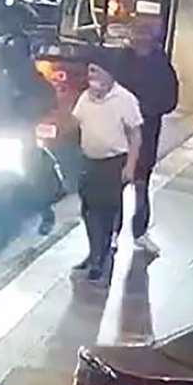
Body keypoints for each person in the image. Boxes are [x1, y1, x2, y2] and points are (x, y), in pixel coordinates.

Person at [67, 57, 142, 284]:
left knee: (105, 213)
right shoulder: (85, 98)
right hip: (89, 162)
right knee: (89, 212)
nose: (92, 77)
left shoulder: (125, 99)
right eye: (90, 71)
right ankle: (93, 253)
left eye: (96, 71)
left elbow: (135, 135)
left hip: (113, 163)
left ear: (109, 74)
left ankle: (101, 259)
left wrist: (130, 165)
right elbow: (76, 124)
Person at [0, 35, 60, 236]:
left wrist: (28, 110)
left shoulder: (32, 79)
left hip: (21, 138)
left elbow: (48, 100)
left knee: (33, 178)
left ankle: (43, 213)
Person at [113, 21, 178, 256]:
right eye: (136, 33)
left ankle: (139, 233)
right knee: (115, 183)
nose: (138, 38)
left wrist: (147, 110)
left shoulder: (160, 65)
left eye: (143, 33)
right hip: (119, 132)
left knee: (140, 184)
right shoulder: (122, 60)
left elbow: (170, 99)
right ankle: (112, 233)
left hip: (146, 133)